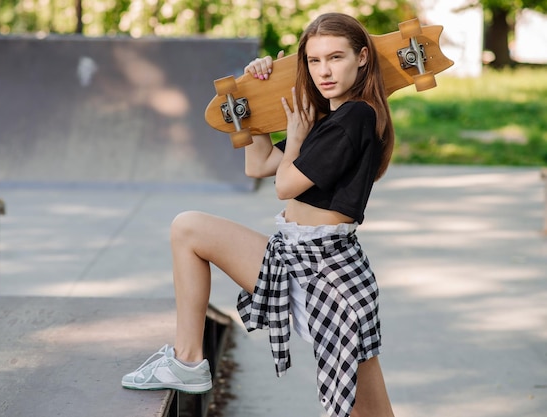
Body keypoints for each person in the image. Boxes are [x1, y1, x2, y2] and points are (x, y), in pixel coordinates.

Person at [122, 12, 395, 417]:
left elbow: (283, 186)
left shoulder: (356, 116)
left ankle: (188, 361)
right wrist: (257, 98)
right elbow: (260, 163)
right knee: (189, 229)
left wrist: (297, 135)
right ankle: (188, 359)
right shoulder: (330, 119)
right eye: (314, 61)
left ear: (363, 58)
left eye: (335, 58)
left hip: (329, 273)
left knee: (370, 415)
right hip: (299, 260)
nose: (324, 70)